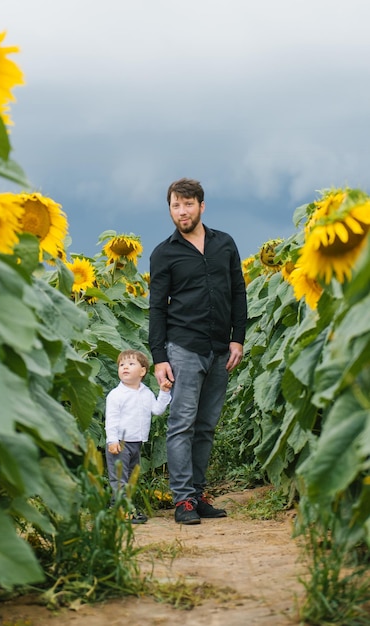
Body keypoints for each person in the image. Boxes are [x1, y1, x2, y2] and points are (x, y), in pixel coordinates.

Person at [149, 178, 247, 525]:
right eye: (176, 205)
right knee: (182, 425)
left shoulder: (225, 244)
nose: (182, 211)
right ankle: (183, 501)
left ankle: (198, 493)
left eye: (188, 204)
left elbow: (238, 291)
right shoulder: (164, 253)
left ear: (201, 206)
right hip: (184, 348)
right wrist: (159, 357)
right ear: (171, 209)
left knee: (205, 426)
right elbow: (157, 308)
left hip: (221, 348)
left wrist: (239, 338)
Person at [105, 349, 172, 523]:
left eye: (131, 364)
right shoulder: (116, 395)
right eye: (121, 365)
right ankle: (122, 510)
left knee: (130, 477)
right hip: (119, 442)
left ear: (142, 371)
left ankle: (120, 507)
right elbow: (111, 419)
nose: (125, 367)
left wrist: (164, 392)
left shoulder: (146, 393)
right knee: (119, 478)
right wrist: (112, 440)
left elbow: (157, 410)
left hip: (136, 443)